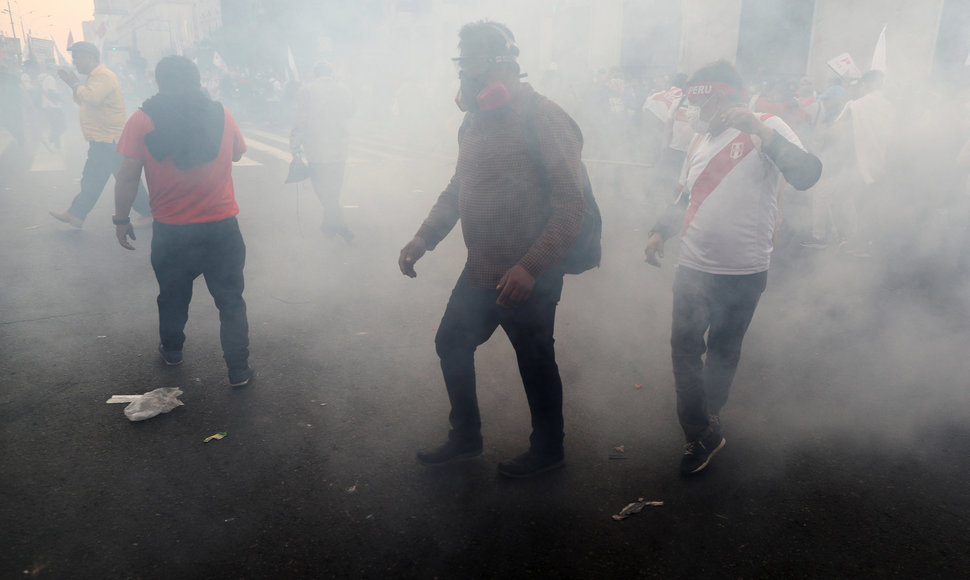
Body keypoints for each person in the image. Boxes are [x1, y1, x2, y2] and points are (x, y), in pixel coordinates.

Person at [398, 21, 585, 478]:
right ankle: (466, 436)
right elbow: (460, 185)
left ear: (506, 68)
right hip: (482, 266)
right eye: (465, 67)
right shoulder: (474, 120)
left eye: (478, 67)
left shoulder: (545, 117)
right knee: (451, 343)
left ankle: (548, 450)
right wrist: (424, 236)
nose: (469, 79)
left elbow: (570, 204)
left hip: (529, 273)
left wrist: (531, 266)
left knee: (535, 360)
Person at [644, 61, 822, 475]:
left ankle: (709, 416)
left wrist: (760, 131)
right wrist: (659, 232)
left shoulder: (766, 125)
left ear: (720, 97)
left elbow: (807, 174)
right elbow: (687, 195)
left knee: (723, 350)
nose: (693, 110)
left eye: (698, 101)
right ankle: (698, 430)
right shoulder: (698, 139)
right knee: (684, 350)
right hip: (693, 266)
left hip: (744, 270)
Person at [113, 55, 254, 387]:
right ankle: (239, 370)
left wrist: (120, 219)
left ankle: (172, 351)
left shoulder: (142, 118)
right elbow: (237, 152)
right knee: (231, 300)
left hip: (173, 231)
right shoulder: (221, 113)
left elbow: (128, 176)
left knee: (172, 297)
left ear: (159, 82)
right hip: (222, 227)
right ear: (197, 80)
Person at [50, 41, 151, 229]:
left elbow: (92, 98)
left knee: (97, 178)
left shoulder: (103, 76)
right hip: (106, 139)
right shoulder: (94, 77)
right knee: (114, 178)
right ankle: (77, 214)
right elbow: (85, 100)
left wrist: (73, 83)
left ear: (89, 58)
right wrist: (74, 86)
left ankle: (77, 213)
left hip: (109, 139)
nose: (74, 62)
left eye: (77, 57)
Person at [289, 61, 356, 241]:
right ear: (330, 73)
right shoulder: (344, 90)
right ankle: (331, 225)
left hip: (316, 150)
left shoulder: (306, 91)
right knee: (333, 190)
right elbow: (351, 113)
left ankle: (338, 226)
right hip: (339, 150)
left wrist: (295, 148)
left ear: (314, 74)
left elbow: (299, 121)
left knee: (323, 191)